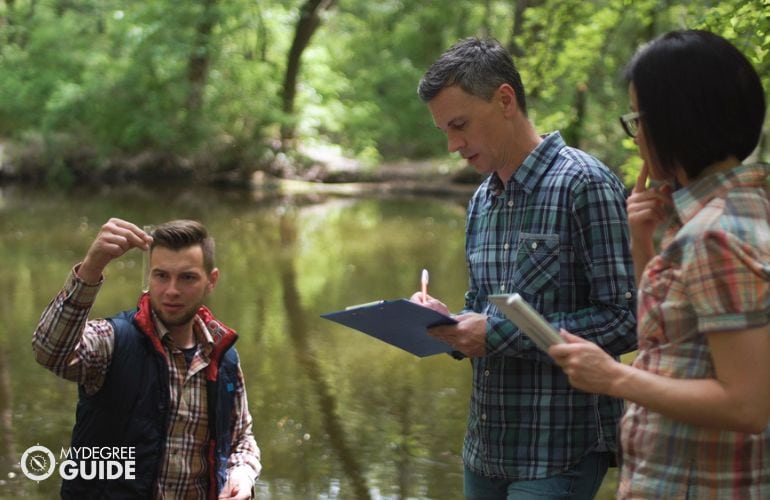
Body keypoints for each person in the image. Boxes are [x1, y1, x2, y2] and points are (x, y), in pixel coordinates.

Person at [413, 37, 637, 499]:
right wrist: (446, 323)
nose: (454, 145)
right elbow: (481, 309)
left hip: (558, 452)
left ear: (505, 100)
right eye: (444, 132)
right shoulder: (481, 200)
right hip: (484, 450)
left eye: (460, 125)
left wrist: (493, 334)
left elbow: (625, 321)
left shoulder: (585, 183)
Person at [549, 29, 770, 498]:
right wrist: (642, 241)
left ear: (675, 121)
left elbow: (748, 403)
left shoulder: (715, 234)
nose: (636, 137)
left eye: (637, 118)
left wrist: (613, 377)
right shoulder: (739, 212)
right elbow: (678, 342)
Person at [32, 218, 261, 499]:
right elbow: (50, 352)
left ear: (211, 281)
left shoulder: (224, 358)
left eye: (187, 277)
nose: (171, 290)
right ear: (149, 277)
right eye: (161, 276)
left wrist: (242, 474)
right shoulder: (113, 340)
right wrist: (92, 267)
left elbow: (241, 439)